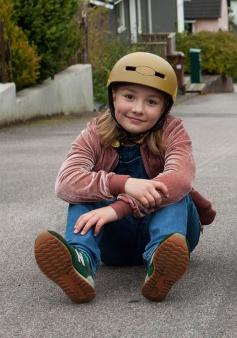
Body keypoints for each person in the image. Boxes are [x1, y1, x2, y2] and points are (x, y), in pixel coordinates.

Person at [33, 52, 216, 303]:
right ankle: (80, 261)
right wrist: (124, 183)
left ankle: (160, 264)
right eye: (129, 97)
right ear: (113, 96)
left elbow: (180, 178)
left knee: (176, 193)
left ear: (165, 109)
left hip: (174, 235)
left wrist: (120, 207)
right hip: (115, 240)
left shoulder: (173, 131)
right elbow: (65, 181)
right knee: (81, 195)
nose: (138, 109)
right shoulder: (95, 133)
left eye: (152, 102)